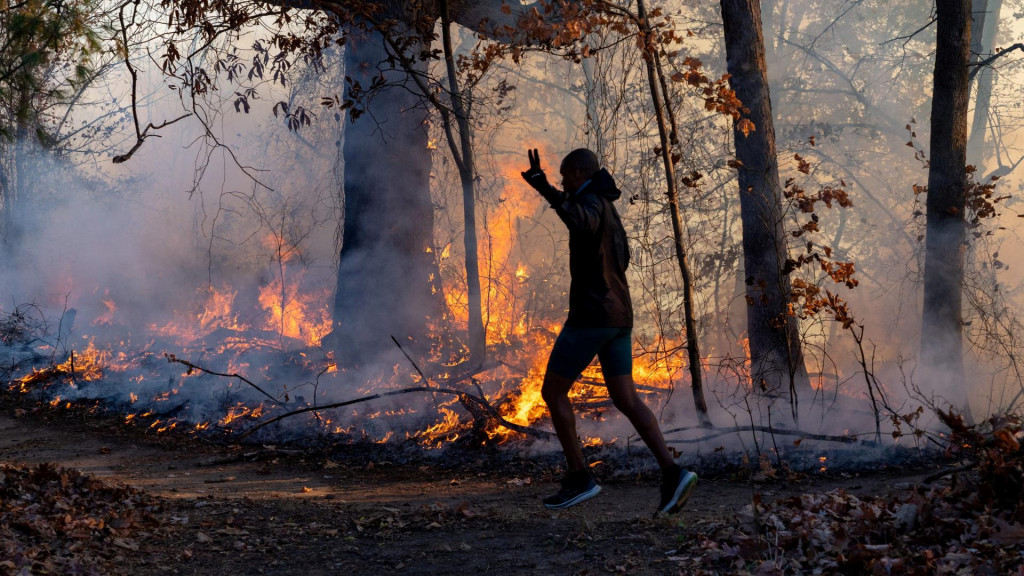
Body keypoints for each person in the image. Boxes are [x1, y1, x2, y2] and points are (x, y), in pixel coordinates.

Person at [521, 148, 698, 514]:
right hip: (619, 317)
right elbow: (621, 257)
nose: (563, 182)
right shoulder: (608, 206)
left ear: (581, 172)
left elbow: (579, 221)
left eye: (566, 175)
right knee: (626, 398)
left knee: (552, 392)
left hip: (593, 317)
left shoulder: (590, 203)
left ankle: (579, 478)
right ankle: (673, 472)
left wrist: (546, 190)